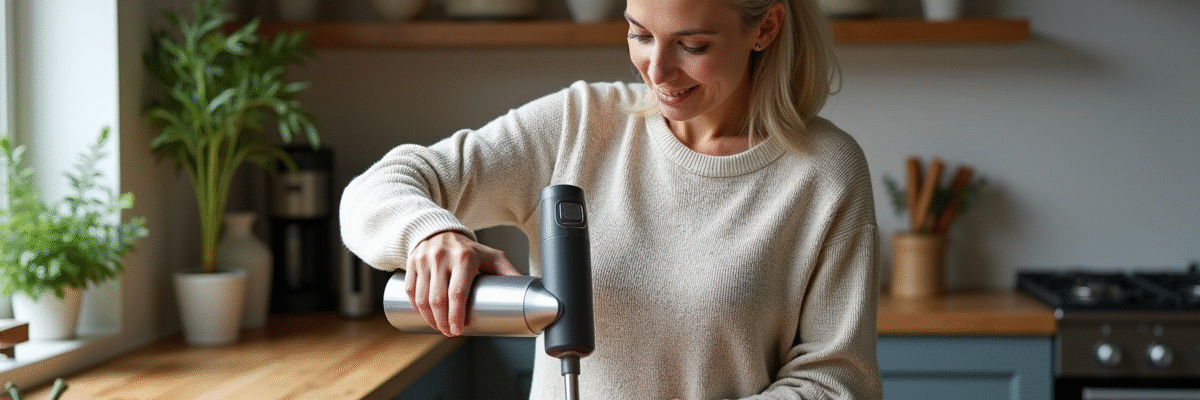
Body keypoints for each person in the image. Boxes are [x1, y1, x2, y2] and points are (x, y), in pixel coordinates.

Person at [340, 0, 882, 398]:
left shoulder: (824, 172)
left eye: (692, 46)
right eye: (639, 34)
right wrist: (430, 233)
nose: (658, 71)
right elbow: (375, 189)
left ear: (765, 27)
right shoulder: (580, 124)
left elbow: (838, 382)